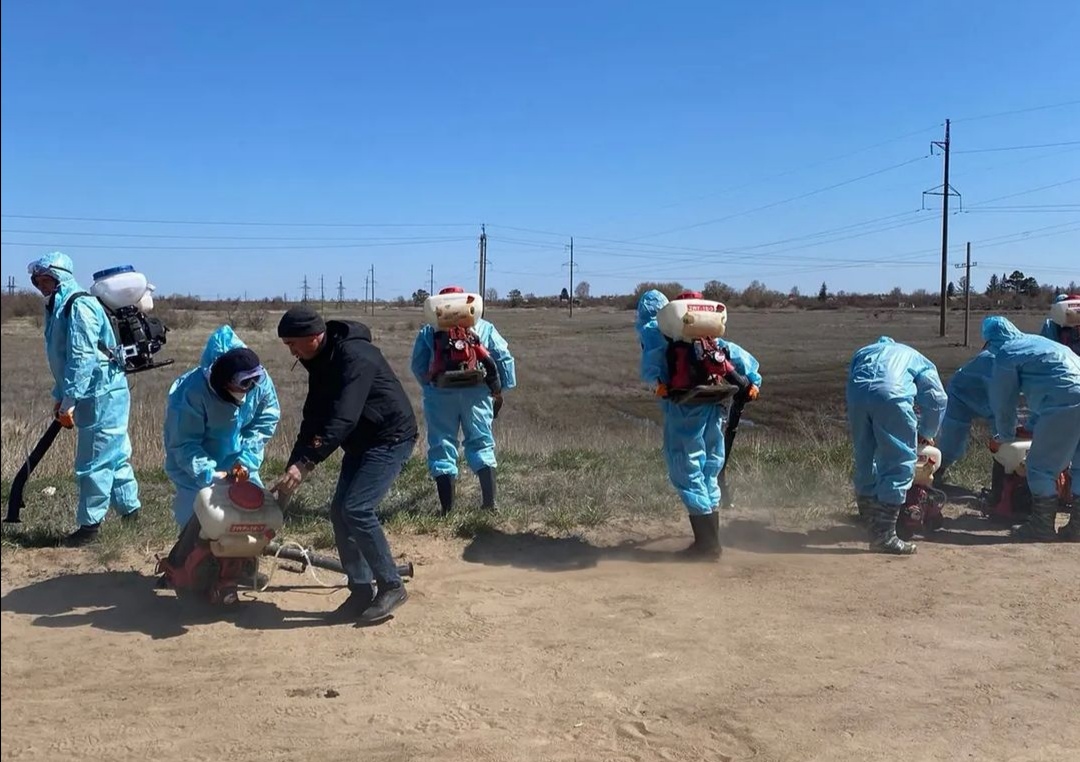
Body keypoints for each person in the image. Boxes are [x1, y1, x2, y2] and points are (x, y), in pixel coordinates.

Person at [271, 306, 419, 624]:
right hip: (361, 442)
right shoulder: (320, 360)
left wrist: (308, 462)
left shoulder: (355, 357)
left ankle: (392, 585)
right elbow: (314, 417)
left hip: (389, 437)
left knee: (357, 509)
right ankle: (361, 589)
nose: (292, 351)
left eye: (293, 344)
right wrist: (293, 465)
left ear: (314, 336)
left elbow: (343, 417)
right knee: (340, 511)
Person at [636, 290, 761, 558]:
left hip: (685, 407)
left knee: (687, 466)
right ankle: (712, 541)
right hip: (714, 401)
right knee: (710, 467)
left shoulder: (658, 330)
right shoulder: (707, 334)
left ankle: (707, 547)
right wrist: (752, 381)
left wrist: (658, 384)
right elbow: (735, 355)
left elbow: (653, 364)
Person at [27, 252, 140, 546]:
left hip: (100, 393)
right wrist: (62, 395)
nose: (42, 285)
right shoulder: (59, 306)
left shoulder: (79, 306)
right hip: (97, 392)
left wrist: (70, 400)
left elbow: (82, 357)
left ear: (60, 277)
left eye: (47, 279)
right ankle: (131, 514)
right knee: (113, 455)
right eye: (38, 280)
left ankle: (89, 527)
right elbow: (62, 358)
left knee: (94, 460)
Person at [409, 286, 516, 514]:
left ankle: (447, 511)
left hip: (440, 392)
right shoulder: (484, 327)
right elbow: (503, 357)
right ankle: (489, 505)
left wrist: (430, 386)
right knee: (481, 443)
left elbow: (417, 365)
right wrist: (499, 389)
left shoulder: (429, 331)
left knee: (442, 445)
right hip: (477, 392)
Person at [163, 325, 280, 527]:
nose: (250, 388)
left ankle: (245, 558)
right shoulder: (192, 392)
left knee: (254, 518)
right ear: (223, 384)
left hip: (239, 462)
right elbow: (184, 443)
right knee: (197, 523)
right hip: (195, 469)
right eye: (243, 384)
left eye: (254, 381)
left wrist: (246, 461)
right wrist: (209, 474)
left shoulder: (260, 384)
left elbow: (264, 422)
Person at [845, 336, 947, 555]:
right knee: (899, 461)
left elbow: (853, 377)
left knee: (865, 457)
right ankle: (884, 535)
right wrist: (927, 433)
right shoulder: (914, 356)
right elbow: (937, 397)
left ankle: (870, 520)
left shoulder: (864, 351)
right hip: (892, 398)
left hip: (857, 399)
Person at [982, 316, 1080, 542]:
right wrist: (1032, 426)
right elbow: (1049, 384)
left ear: (992, 340)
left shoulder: (1007, 353)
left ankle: (1041, 527)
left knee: (1039, 467)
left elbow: (1003, 401)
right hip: (1069, 394)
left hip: (1065, 402)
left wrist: (1005, 435)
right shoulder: (1038, 343)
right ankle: (1077, 528)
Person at [936, 348, 996, 484]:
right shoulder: (992, 359)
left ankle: (1002, 482)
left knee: (1004, 444)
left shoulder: (1013, 360)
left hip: (990, 400)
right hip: (961, 395)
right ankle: (937, 472)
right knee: (952, 437)